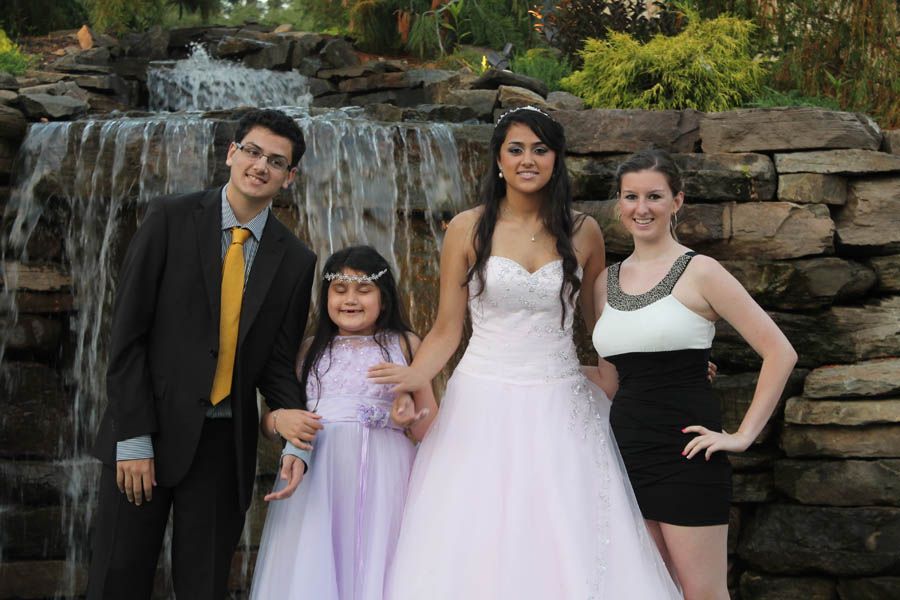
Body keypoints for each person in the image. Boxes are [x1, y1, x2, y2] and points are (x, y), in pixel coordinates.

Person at [368, 106, 681, 599]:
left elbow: (603, 330)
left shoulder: (584, 232)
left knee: (566, 523)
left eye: (540, 149)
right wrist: (413, 377)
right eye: (516, 149)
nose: (527, 160)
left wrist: (666, 367)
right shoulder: (466, 229)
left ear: (556, 159)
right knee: (479, 527)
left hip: (561, 400)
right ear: (499, 159)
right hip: (483, 397)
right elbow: (448, 329)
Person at [87, 108, 321, 599]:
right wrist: (132, 436)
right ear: (232, 154)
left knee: (204, 588)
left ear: (289, 177)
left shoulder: (296, 260)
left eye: (276, 161)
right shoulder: (169, 218)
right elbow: (127, 336)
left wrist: (296, 437)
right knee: (117, 580)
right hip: (146, 435)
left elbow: (277, 363)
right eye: (253, 152)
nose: (261, 166)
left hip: (222, 448)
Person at [592, 149, 797, 599]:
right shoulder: (603, 284)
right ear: (619, 205)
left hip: (687, 453)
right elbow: (609, 381)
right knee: (648, 587)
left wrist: (742, 436)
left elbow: (780, 352)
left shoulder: (701, 271)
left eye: (654, 196)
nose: (641, 208)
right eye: (631, 196)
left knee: (701, 593)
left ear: (677, 201)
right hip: (624, 452)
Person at [250, 245, 437, 599]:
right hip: (320, 476)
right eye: (340, 289)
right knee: (317, 560)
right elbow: (270, 421)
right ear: (326, 296)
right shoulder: (308, 350)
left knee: (385, 559)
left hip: (387, 474)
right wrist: (279, 420)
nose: (351, 299)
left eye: (363, 289)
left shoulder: (406, 344)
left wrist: (410, 414)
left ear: (384, 297)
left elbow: (428, 428)